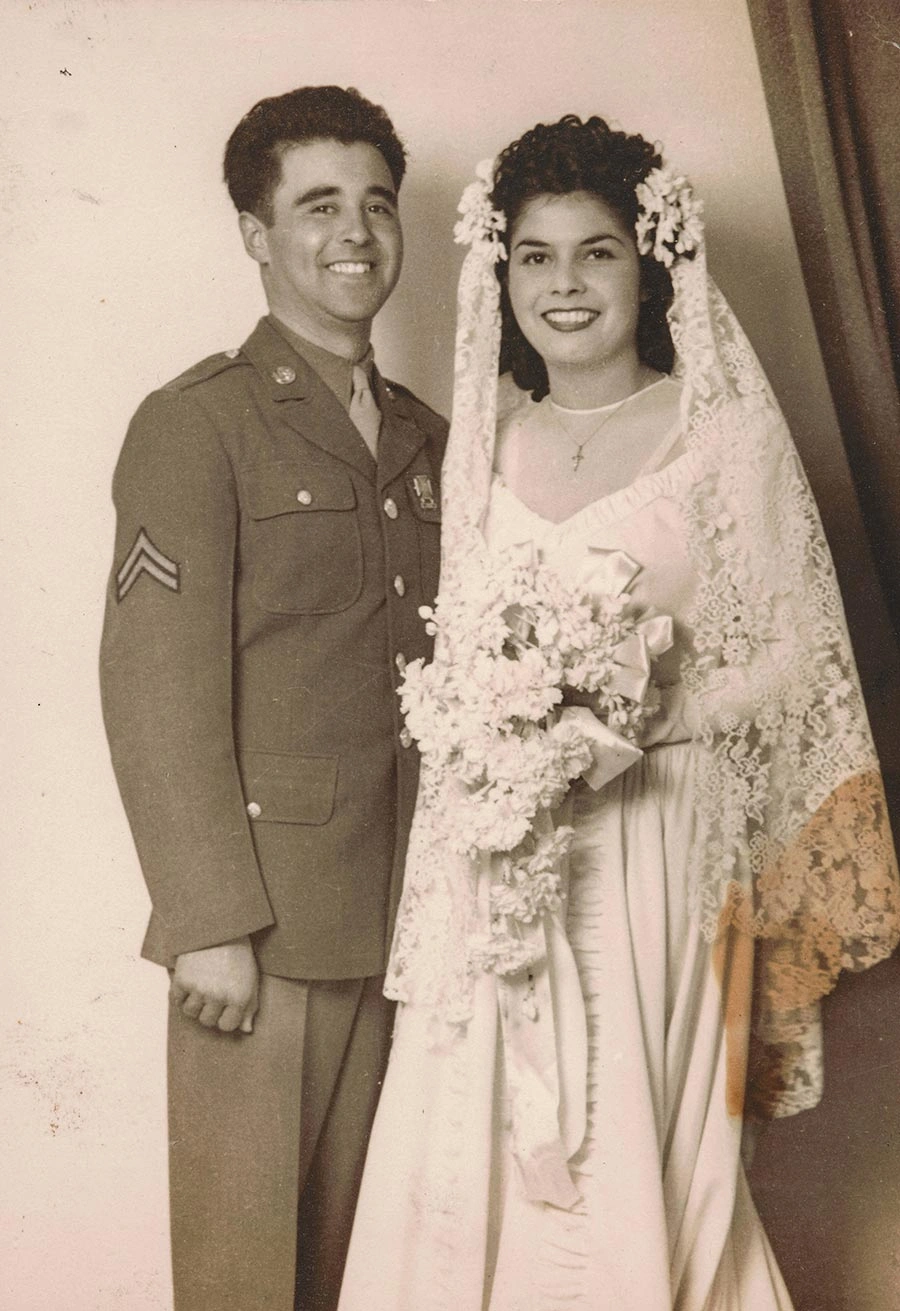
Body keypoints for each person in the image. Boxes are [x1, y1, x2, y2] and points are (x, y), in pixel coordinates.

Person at [337, 115, 900, 1310]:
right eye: (534, 258)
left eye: (593, 253)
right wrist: (504, 731)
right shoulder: (487, 440)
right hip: (509, 854)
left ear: (645, 264)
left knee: (634, 1129)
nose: (564, 285)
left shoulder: (718, 433)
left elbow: (795, 659)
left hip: (658, 840)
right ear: (504, 276)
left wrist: (637, 709)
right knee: (477, 1133)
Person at [99, 85, 447, 1311]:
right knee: (247, 1278)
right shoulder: (198, 426)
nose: (355, 233)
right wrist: (205, 921)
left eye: (376, 204)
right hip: (266, 931)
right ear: (257, 234)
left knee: (378, 1272)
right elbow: (154, 690)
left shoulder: (426, 438)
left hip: (415, 926)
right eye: (317, 206)